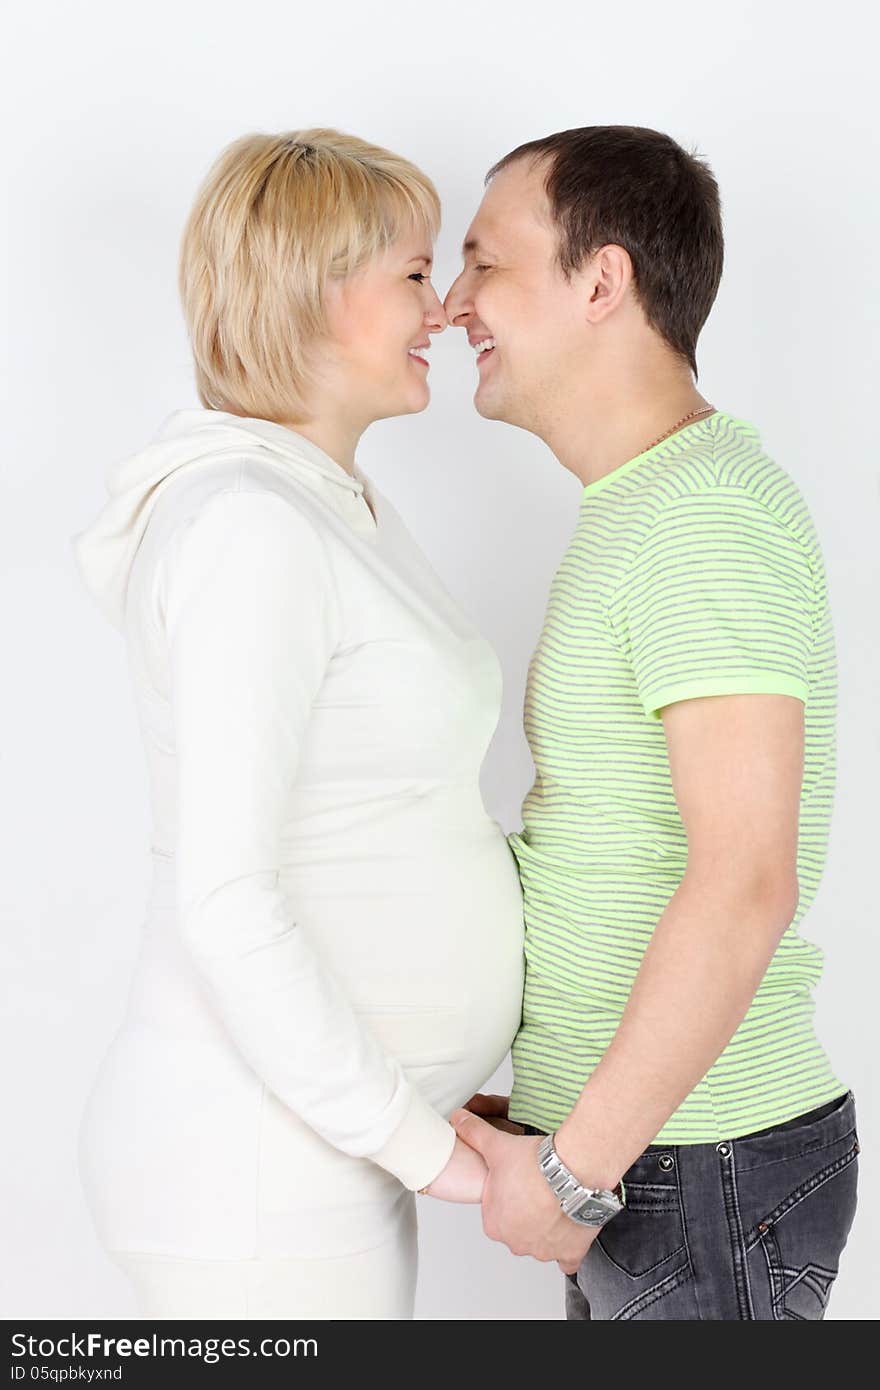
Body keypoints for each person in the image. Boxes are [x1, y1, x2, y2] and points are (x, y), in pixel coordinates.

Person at [71, 128, 524, 1321]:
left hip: (309, 1148)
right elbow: (225, 895)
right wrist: (420, 1145)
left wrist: (412, 1107)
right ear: (319, 293)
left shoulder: (321, 503)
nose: (443, 307)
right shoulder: (250, 527)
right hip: (253, 1172)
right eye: (416, 274)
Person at [443, 125, 859, 1320]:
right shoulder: (645, 505)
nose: (457, 300)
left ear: (602, 280)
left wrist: (577, 1168)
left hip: (693, 1164)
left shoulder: (700, 516)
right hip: (657, 1158)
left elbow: (743, 883)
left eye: (484, 262)